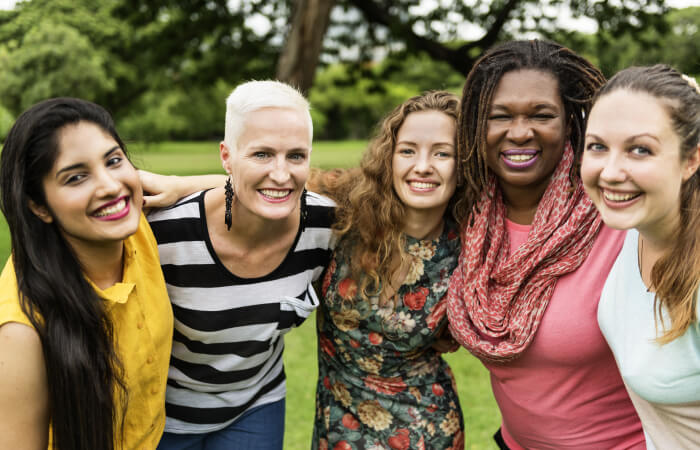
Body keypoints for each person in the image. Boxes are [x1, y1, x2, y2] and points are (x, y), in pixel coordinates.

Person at [446, 40, 645, 449]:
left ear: (572, 122)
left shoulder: (619, 220)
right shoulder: (467, 220)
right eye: (499, 116)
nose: (519, 132)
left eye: (542, 115)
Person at [147, 80, 336, 449]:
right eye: (262, 154)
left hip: (256, 406)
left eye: (296, 156)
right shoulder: (165, 234)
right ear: (226, 156)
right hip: (164, 416)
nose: (281, 174)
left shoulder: (326, 226)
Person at [0, 98, 173, 449]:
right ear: (38, 206)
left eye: (113, 160)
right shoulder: (19, 334)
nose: (110, 186)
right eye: (76, 177)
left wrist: (181, 186)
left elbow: (251, 190)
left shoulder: (136, 223)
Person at [311, 91, 465, 449]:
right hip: (339, 424)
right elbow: (268, 187)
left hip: (426, 427)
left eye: (442, 153)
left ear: (465, 165)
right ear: (389, 158)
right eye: (408, 150)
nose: (422, 165)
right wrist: (181, 186)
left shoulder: (469, 245)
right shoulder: (349, 206)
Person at [581, 65, 700, 448]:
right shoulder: (635, 227)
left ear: (690, 161)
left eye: (640, 149)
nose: (611, 172)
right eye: (597, 146)